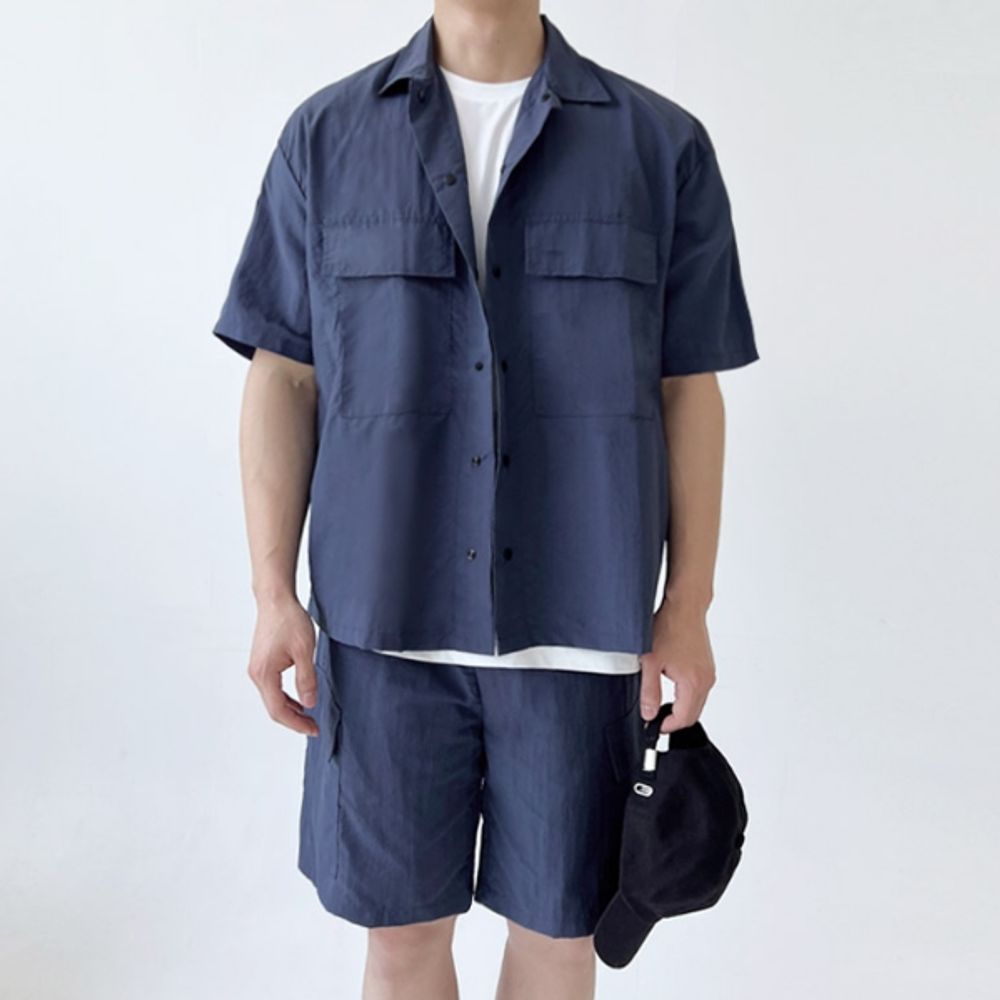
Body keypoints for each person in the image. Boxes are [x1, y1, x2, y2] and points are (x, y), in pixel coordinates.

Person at [212, 2, 759, 997]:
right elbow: (283, 373)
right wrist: (271, 593)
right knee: (398, 943)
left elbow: (690, 389)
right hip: (382, 633)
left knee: (560, 941)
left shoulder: (659, 146)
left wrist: (687, 606)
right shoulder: (326, 139)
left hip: (581, 634)